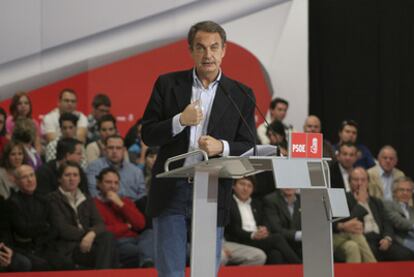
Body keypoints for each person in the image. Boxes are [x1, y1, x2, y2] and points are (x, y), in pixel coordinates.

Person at [141, 21, 256, 276]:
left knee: (205, 271)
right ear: (191, 51)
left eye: (214, 47)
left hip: (212, 189)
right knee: (171, 272)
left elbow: (249, 145)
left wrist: (221, 146)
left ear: (224, 50)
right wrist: (179, 120)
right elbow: (148, 133)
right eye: (201, 48)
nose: (208, 55)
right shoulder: (168, 84)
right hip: (172, 189)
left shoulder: (241, 94)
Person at [48, 161, 117, 269]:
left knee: (108, 237)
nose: (72, 179)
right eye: (67, 175)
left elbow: (100, 223)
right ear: (59, 179)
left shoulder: (86, 198)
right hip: (68, 248)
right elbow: (62, 229)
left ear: (80, 179)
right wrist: (87, 235)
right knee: (110, 250)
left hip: (87, 244)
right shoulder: (52, 199)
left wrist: (92, 234)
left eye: (75, 175)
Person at [343, 167, 414, 261]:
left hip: (380, 239)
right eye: (356, 180)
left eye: (363, 180)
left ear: (368, 182)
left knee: (406, 255)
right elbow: (346, 222)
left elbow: (386, 222)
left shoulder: (376, 201)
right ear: (349, 182)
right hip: (362, 239)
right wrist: (360, 203)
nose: (360, 183)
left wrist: (387, 238)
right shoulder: (344, 198)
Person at [225, 177, 301, 264]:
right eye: (242, 184)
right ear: (233, 186)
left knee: (276, 254)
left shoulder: (256, 204)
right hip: (239, 241)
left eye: (249, 186)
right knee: (277, 238)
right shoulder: (228, 204)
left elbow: (265, 221)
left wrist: (263, 229)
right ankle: (300, 266)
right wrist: (252, 235)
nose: (245, 188)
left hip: (257, 240)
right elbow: (232, 229)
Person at [7, 165, 65, 270]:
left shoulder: (44, 199)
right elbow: (23, 230)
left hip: (43, 245)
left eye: (32, 175)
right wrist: (44, 226)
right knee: (42, 265)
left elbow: (55, 227)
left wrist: (42, 231)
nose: (30, 180)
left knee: (65, 263)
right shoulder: (13, 202)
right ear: (16, 181)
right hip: (24, 249)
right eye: (24, 177)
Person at [94, 167, 154, 268]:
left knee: (150, 233)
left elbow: (140, 224)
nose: (112, 186)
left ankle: (147, 262)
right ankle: (148, 264)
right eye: (108, 182)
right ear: (99, 184)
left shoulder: (124, 201)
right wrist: (127, 226)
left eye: (116, 183)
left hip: (137, 239)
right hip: (118, 241)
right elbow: (104, 230)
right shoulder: (94, 204)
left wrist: (121, 205)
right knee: (142, 251)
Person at [86, 135, 146, 201]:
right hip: (104, 207)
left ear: (124, 150)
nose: (114, 151)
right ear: (105, 150)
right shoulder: (94, 167)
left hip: (131, 208)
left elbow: (142, 198)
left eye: (118, 148)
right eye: (111, 148)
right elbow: (94, 195)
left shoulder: (136, 172)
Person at [263, 189, 302, 257]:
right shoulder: (271, 199)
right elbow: (276, 229)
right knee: (276, 254)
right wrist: (300, 235)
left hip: (300, 243)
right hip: (280, 243)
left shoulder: (303, 199)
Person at [384, 177, 414, 253]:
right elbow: (398, 221)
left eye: (408, 190)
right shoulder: (388, 204)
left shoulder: (411, 209)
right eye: (402, 190)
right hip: (400, 240)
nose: (405, 193)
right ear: (394, 192)